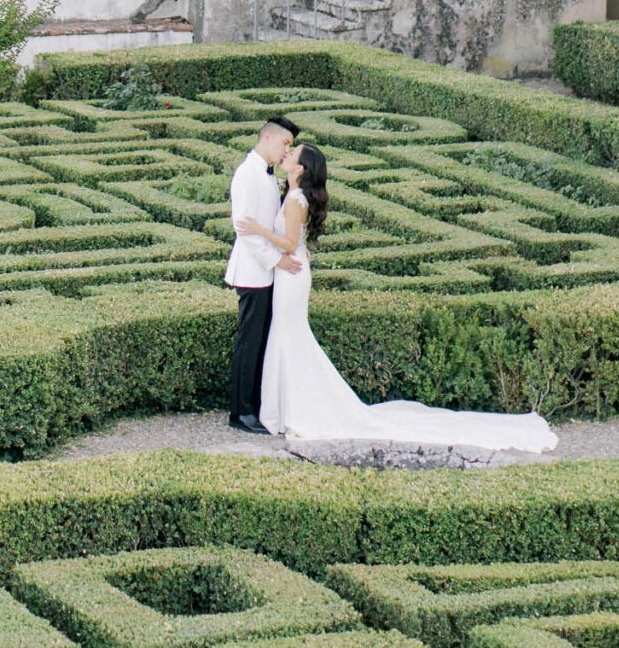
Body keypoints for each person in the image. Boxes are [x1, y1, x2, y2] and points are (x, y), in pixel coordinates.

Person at [243, 140, 558, 456]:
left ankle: (293, 410)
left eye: (293, 153)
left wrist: (258, 229)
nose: (287, 154)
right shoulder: (292, 194)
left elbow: (288, 241)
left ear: (301, 168)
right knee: (287, 334)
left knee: (290, 334)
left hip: (292, 273)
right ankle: (287, 410)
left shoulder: (296, 199)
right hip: (290, 273)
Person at [224, 114, 301, 432]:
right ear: (267, 137)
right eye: (285, 143)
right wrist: (277, 260)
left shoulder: (266, 174)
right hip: (253, 272)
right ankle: (240, 412)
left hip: (265, 272)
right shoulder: (248, 174)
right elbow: (245, 229)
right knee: (249, 342)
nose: (287, 150)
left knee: (258, 341)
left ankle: (251, 406)